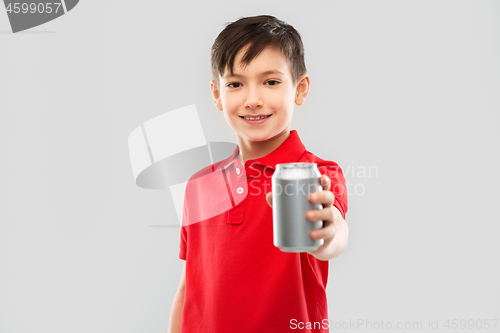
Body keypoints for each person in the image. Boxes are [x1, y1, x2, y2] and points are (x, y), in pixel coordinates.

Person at [168, 15, 349, 333]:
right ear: (216, 94)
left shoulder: (318, 174)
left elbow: (333, 238)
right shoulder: (200, 185)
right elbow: (187, 288)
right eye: (235, 84)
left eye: (271, 81)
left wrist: (328, 230)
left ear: (300, 88)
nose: (253, 100)